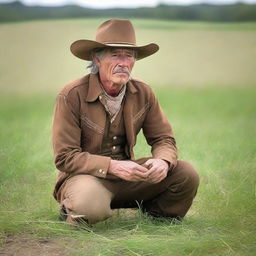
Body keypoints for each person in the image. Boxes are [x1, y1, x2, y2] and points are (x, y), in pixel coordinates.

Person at [52, 19, 199, 225]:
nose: (123, 62)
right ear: (97, 59)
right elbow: (65, 158)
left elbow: (163, 139)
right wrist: (112, 166)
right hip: (84, 177)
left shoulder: (144, 92)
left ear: (135, 61)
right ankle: (74, 205)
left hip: (128, 177)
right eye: (115, 55)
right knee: (88, 204)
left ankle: (156, 217)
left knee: (186, 173)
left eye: (128, 56)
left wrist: (162, 161)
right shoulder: (71, 95)